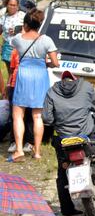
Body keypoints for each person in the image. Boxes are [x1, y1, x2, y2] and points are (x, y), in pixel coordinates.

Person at [42, 70, 95, 216]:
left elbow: (47, 119)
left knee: (62, 171)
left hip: (63, 139)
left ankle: (67, 209)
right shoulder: (86, 87)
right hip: (85, 135)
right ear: (74, 79)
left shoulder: (51, 92)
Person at [7, 9, 59, 162]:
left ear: (26, 23)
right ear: (40, 24)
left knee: (18, 115)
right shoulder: (46, 40)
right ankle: (37, 152)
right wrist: (46, 64)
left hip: (24, 76)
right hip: (40, 76)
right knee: (37, 116)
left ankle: (18, 150)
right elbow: (55, 63)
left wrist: (24, 29)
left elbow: (12, 43)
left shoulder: (18, 38)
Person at [6, 48, 34, 154]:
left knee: (29, 114)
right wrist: (8, 84)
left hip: (31, 85)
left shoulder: (36, 49)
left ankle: (29, 142)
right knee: (14, 116)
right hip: (15, 85)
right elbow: (12, 70)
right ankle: (14, 142)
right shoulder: (15, 50)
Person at [0, 0, 25, 72]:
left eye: (14, 5)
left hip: (19, 46)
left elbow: (29, 29)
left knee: (18, 70)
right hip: (7, 46)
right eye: (10, 5)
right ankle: (10, 84)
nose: (12, 7)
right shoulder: (4, 17)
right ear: (7, 5)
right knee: (10, 70)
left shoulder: (22, 15)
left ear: (17, 6)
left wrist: (17, 30)